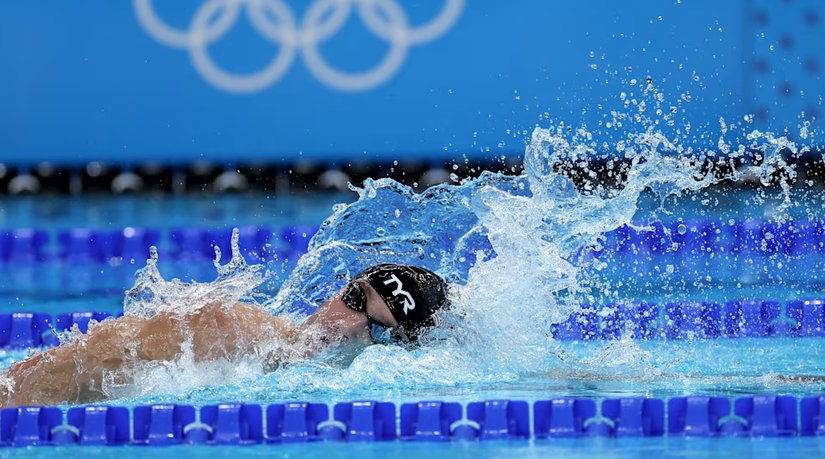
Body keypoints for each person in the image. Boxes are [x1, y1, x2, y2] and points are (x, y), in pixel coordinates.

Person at [0, 264, 448, 408]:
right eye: (353, 297)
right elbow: (46, 378)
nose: (345, 324)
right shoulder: (223, 330)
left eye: (376, 329)